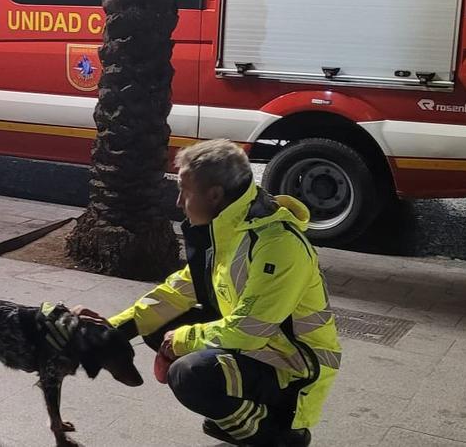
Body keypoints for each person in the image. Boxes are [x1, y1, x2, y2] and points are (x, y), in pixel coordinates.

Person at [73, 140, 341, 447]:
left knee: (191, 374)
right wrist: (112, 330)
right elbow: (174, 294)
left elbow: (248, 331)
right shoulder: (228, 230)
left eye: (185, 191)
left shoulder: (277, 244)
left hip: (294, 366)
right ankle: (242, 417)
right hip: (263, 345)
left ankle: (281, 433)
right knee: (160, 325)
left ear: (214, 194)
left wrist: (184, 338)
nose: (178, 202)